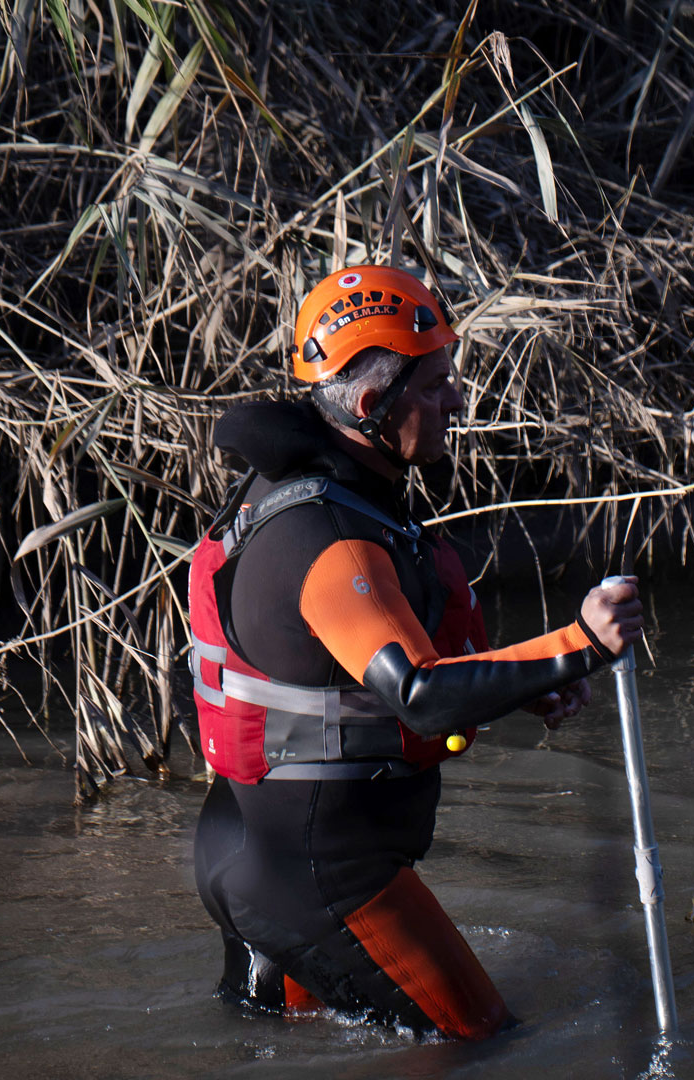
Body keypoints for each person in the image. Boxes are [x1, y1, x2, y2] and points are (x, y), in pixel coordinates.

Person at [187, 264, 644, 1041]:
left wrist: (525, 685)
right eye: (436, 387)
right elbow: (423, 697)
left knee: (284, 1051)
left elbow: (333, 681)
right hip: (321, 873)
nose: (457, 401)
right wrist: (580, 643)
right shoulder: (329, 536)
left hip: (248, 843)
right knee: (484, 1045)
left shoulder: (304, 493)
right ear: (372, 406)